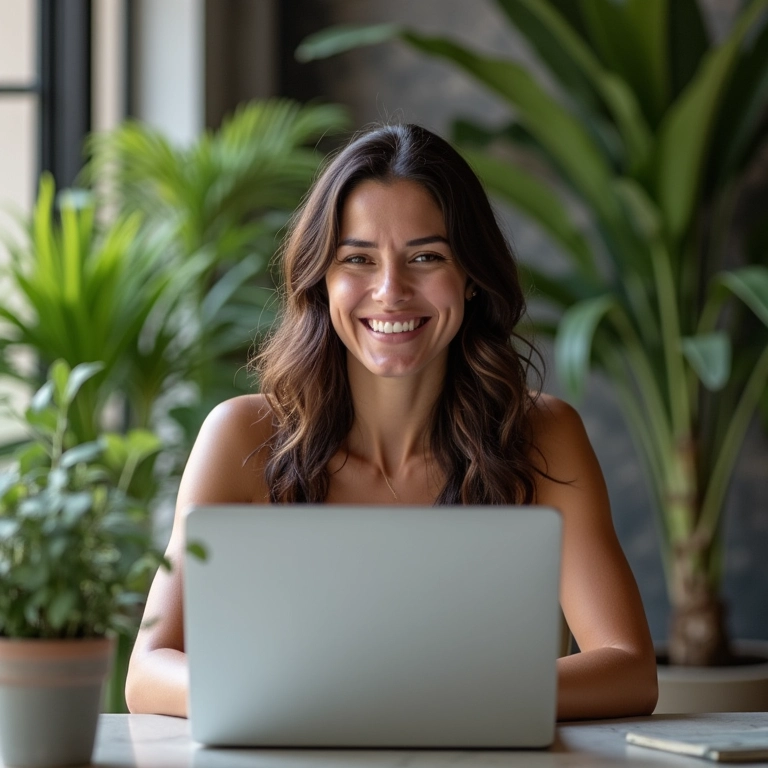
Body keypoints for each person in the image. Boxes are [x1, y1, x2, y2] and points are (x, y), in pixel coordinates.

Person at [125, 123, 658, 720]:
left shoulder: (543, 437)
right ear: (320, 280)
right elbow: (148, 670)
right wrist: (314, 698)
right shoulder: (240, 438)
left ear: (473, 278)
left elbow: (629, 666)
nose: (390, 291)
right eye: (357, 259)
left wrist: (423, 700)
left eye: (426, 257)